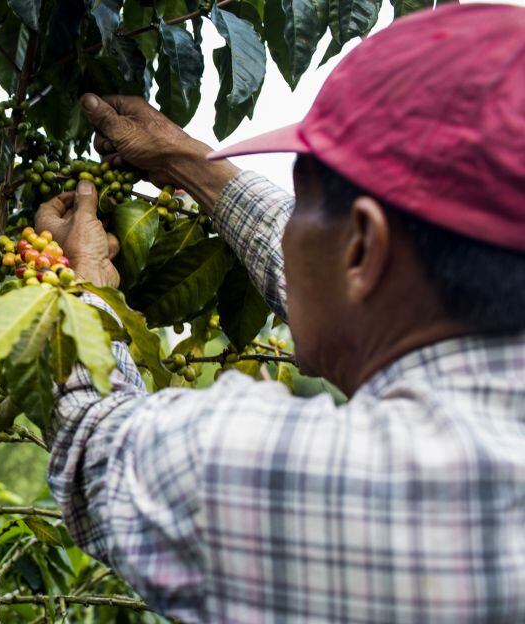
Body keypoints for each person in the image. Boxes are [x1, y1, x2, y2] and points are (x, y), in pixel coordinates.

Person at [35, 4, 524, 622]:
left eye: (306, 203)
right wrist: (187, 162)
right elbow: (338, 271)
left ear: (363, 248)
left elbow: (96, 449)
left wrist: (85, 295)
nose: (293, 229)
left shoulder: (343, 486)